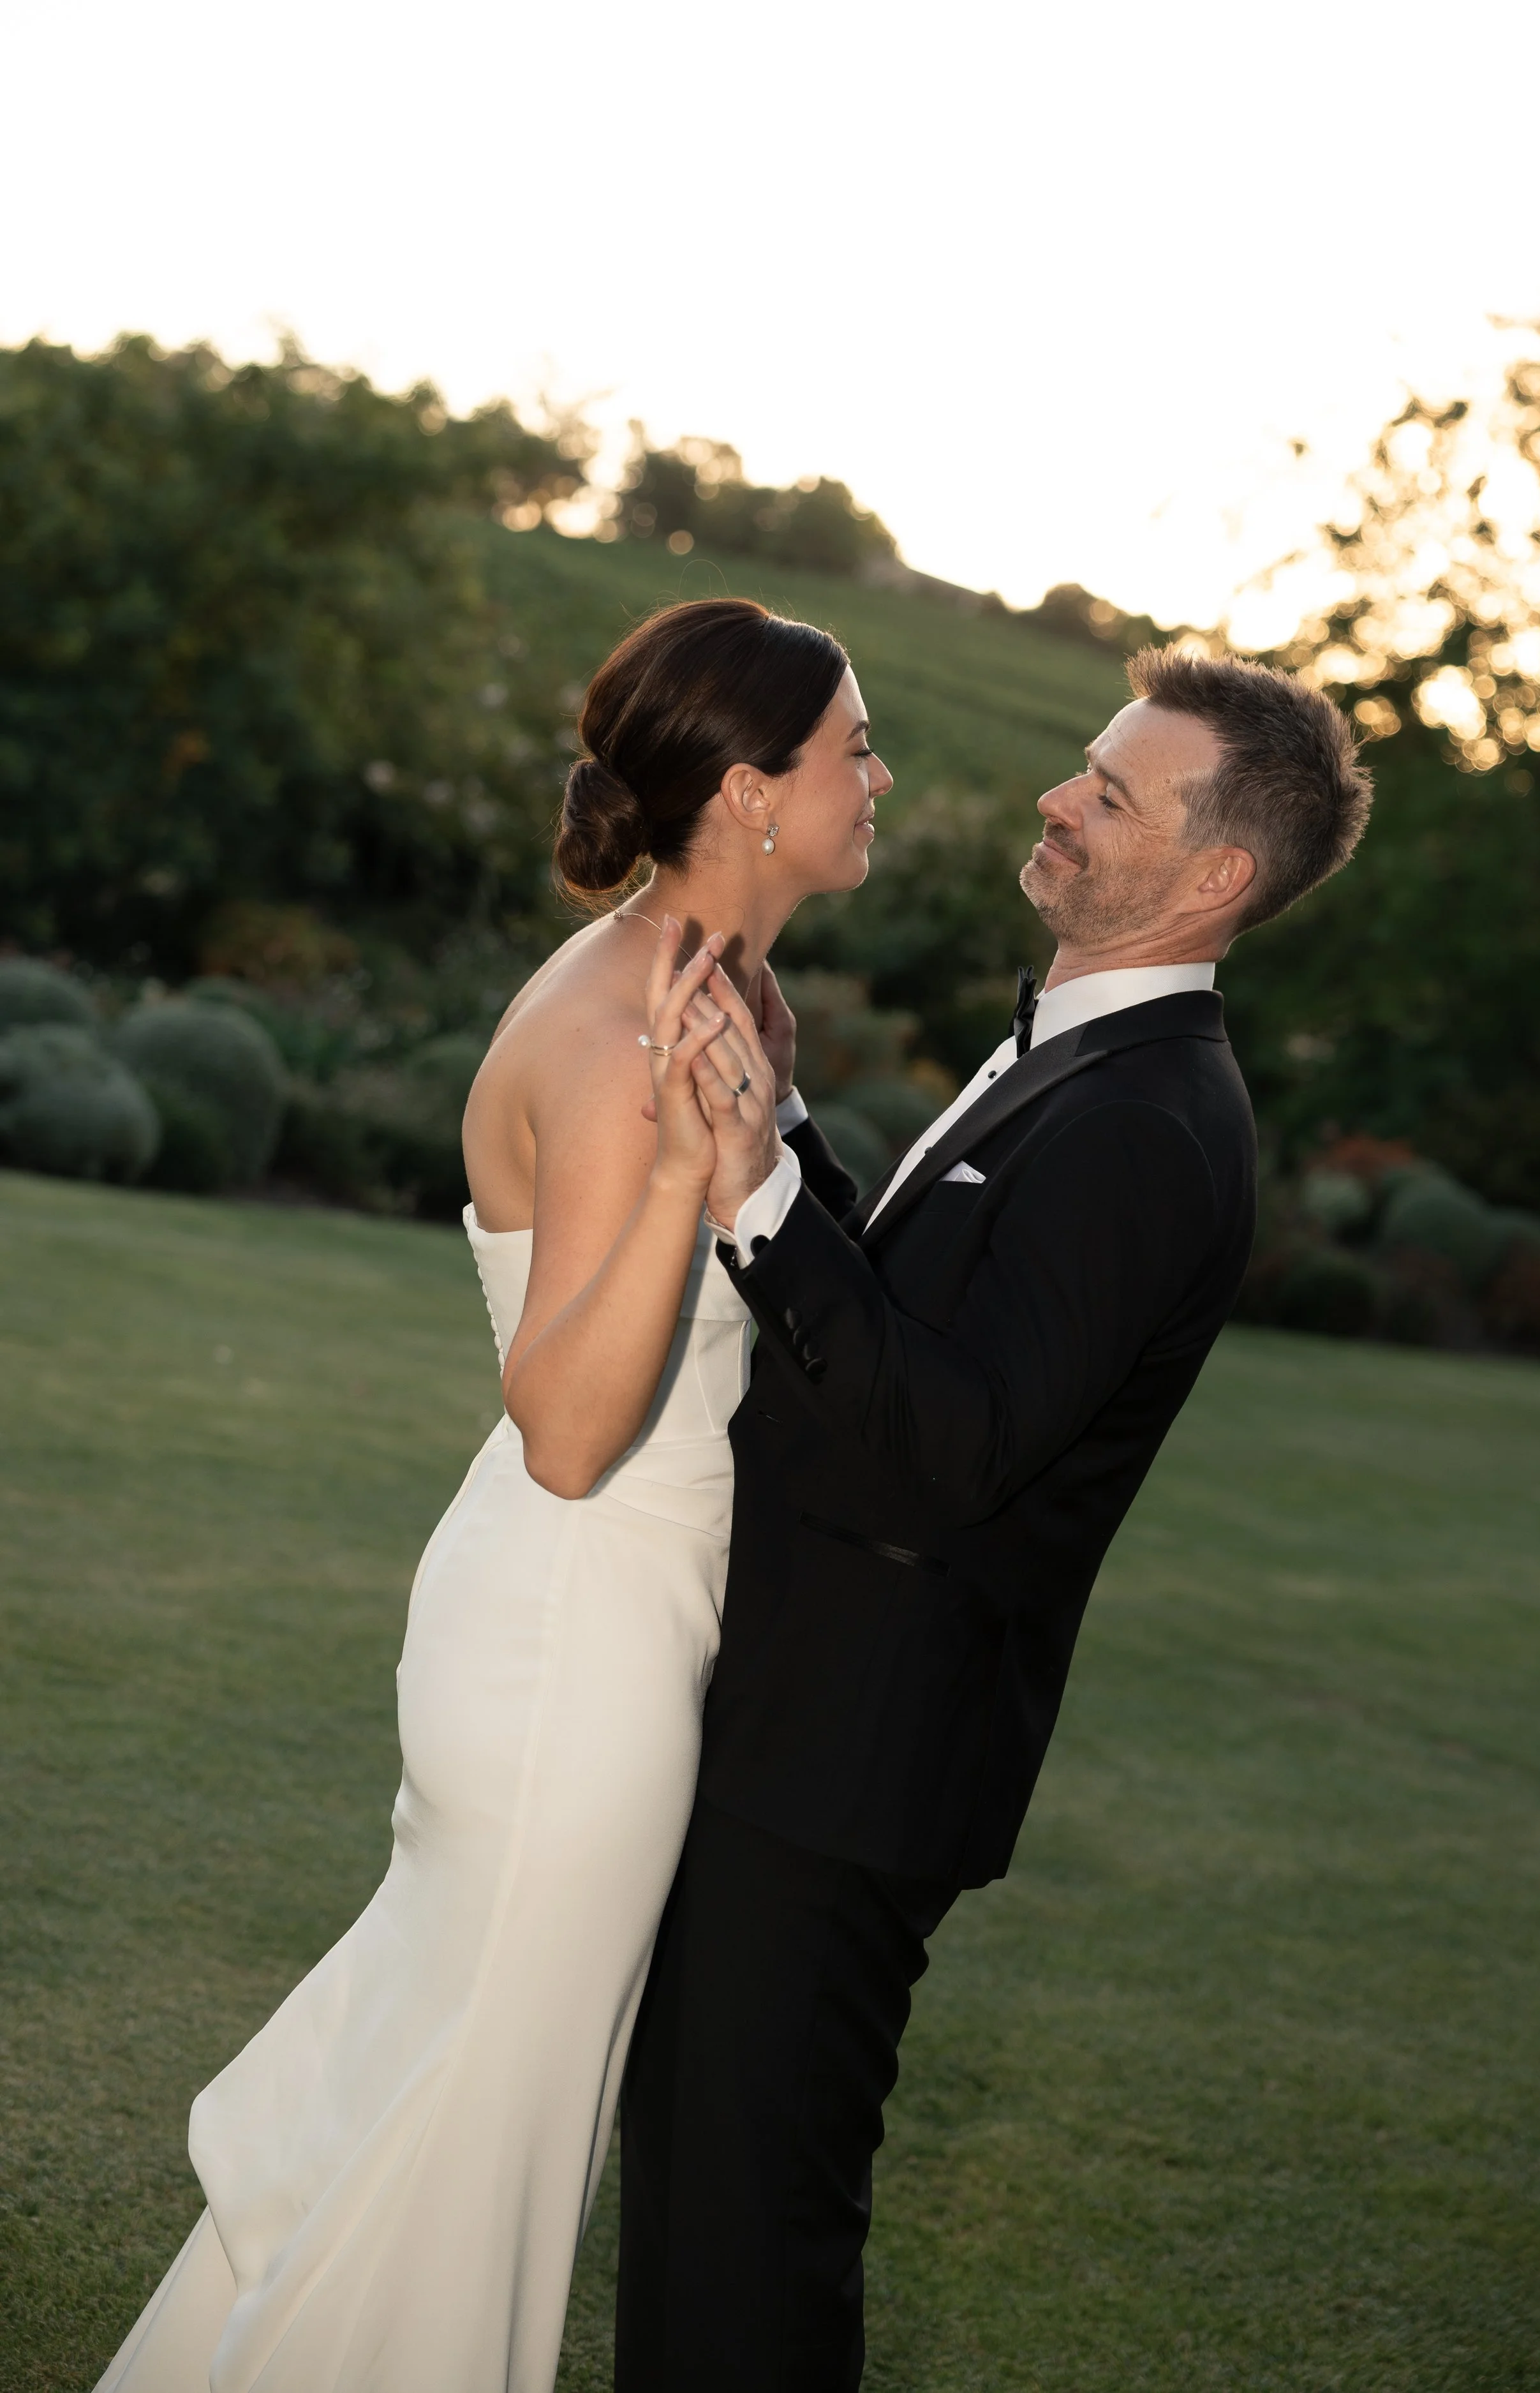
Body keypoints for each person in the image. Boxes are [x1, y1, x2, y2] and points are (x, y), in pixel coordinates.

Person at [94, 598, 892, 2393]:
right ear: (752, 792)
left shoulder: (714, 983)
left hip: (616, 1617)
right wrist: (697, 1170)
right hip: (572, 1645)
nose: (881, 777)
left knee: (445, 2107)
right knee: (471, 2145)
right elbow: (562, 1420)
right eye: (856, 744)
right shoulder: (632, 1038)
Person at [616, 646, 1374, 2390]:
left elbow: (945, 1451)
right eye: (1080, 765)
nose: (1057, 794)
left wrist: (754, 1194)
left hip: (849, 1765)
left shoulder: (1149, 1125)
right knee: (702, 2203)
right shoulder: (1081, 1062)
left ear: (1211, 879)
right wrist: (792, 1129)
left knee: (747, 2252)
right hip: (809, 1731)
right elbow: (927, 1340)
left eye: (1109, 791)